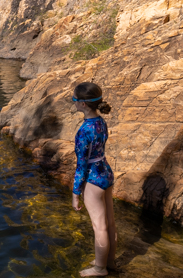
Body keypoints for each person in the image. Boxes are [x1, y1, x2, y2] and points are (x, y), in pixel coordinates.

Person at [71, 82, 117, 277]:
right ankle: (109, 260)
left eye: (74, 99)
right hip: (106, 172)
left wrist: (75, 192)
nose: (73, 102)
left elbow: (81, 166)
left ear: (82, 104)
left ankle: (100, 268)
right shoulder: (101, 122)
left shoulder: (84, 131)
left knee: (99, 225)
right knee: (109, 222)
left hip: (93, 177)